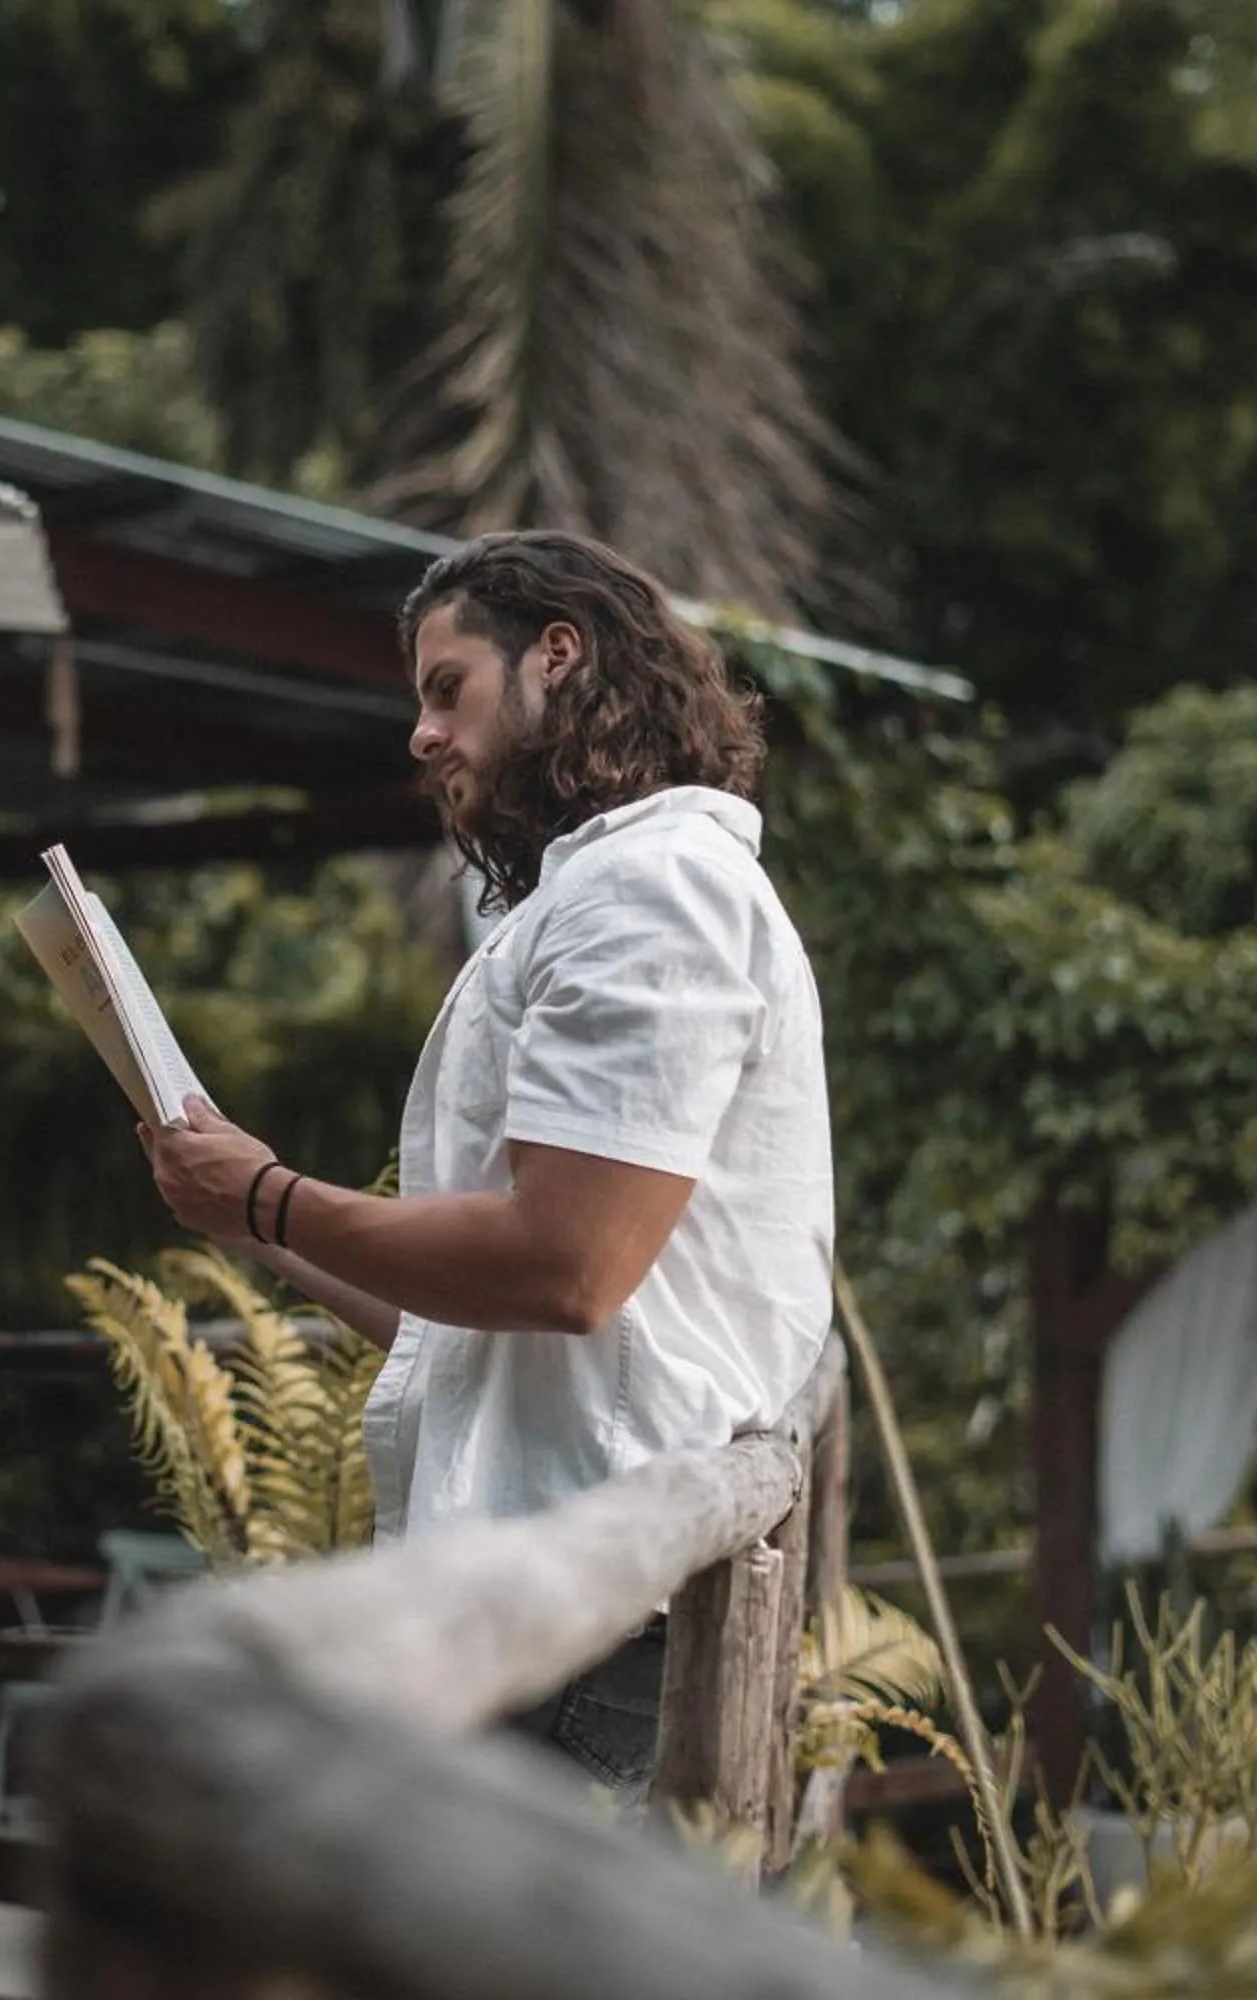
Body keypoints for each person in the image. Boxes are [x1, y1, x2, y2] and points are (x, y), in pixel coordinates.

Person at [139, 529, 834, 1799]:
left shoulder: (654, 891)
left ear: (555, 659)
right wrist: (254, 1227)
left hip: (586, 1610)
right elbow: (473, 1316)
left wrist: (265, 1191)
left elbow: (568, 1267)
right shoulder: (613, 890)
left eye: (445, 687)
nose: (420, 734)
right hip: (555, 1592)